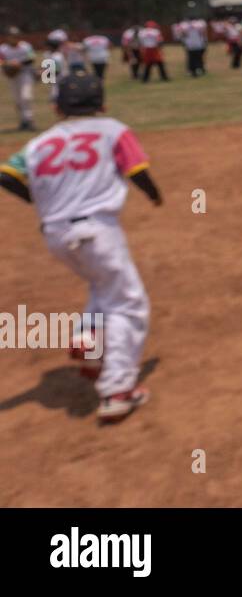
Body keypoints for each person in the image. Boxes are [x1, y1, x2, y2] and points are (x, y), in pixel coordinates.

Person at [0, 71, 160, 422]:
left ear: (57, 108)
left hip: (55, 234)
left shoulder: (40, 142)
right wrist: (153, 194)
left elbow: (6, 175)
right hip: (96, 230)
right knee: (129, 304)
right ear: (102, 104)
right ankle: (117, 389)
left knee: (102, 285)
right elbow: (136, 169)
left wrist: (36, 201)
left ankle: (89, 341)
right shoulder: (113, 129)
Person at [1, 26, 37, 131]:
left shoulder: (25, 46)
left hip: (25, 74)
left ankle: (29, 120)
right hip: (12, 76)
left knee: (26, 97)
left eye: (15, 36)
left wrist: (19, 64)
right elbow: (1, 60)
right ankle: (23, 121)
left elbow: (32, 58)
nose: (13, 38)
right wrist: (8, 64)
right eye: (11, 36)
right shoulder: (3, 48)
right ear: (8, 37)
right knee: (18, 100)